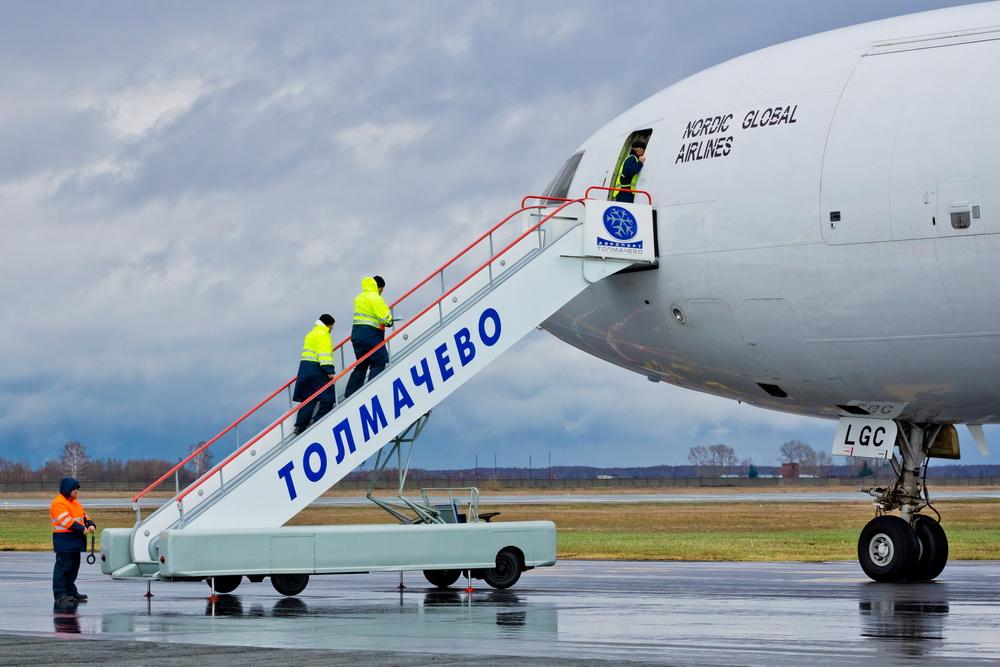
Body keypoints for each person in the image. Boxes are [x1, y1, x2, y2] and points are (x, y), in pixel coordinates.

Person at [344, 275, 393, 398]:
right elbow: (384, 318)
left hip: (356, 334)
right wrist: (390, 321)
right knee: (380, 361)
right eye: (382, 289)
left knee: (362, 364)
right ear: (379, 287)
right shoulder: (376, 298)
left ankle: (350, 394)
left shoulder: (359, 298)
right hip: (370, 334)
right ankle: (370, 391)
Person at [50, 477, 95, 605]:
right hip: (65, 541)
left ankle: (70, 591)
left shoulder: (75, 502)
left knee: (73, 568)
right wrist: (82, 529)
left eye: (77, 489)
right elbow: (66, 521)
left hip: (75, 541)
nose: (76, 492)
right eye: (74, 489)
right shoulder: (58, 503)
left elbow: (83, 515)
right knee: (63, 568)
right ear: (67, 490)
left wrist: (90, 524)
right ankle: (60, 593)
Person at [292, 314, 337, 436]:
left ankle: (299, 427)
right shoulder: (324, 335)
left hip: (304, 369)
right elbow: (324, 356)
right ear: (328, 325)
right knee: (329, 398)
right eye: (332, 327)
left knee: (308, 399)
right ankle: (317, 422)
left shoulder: (310, 334)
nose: (332, 329)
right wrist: (330, 371)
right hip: (317, 370)